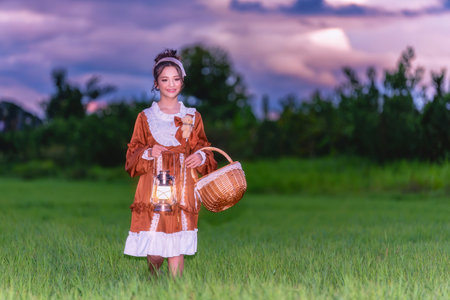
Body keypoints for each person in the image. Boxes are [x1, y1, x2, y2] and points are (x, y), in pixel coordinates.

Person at [123, 49, 217, 277]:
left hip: (184, 186)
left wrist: (200, 156)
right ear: (156, 83)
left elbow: (204, 148)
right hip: (155, 186)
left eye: (176, 79)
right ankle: (153, 275)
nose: (171, 84)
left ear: (182, 82)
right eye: (165, 79)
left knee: (177, 241)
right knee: (155, 248)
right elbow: (132, 157)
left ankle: (177, 289)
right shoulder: (145, 117)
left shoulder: (192, 116)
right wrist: (148, 152)